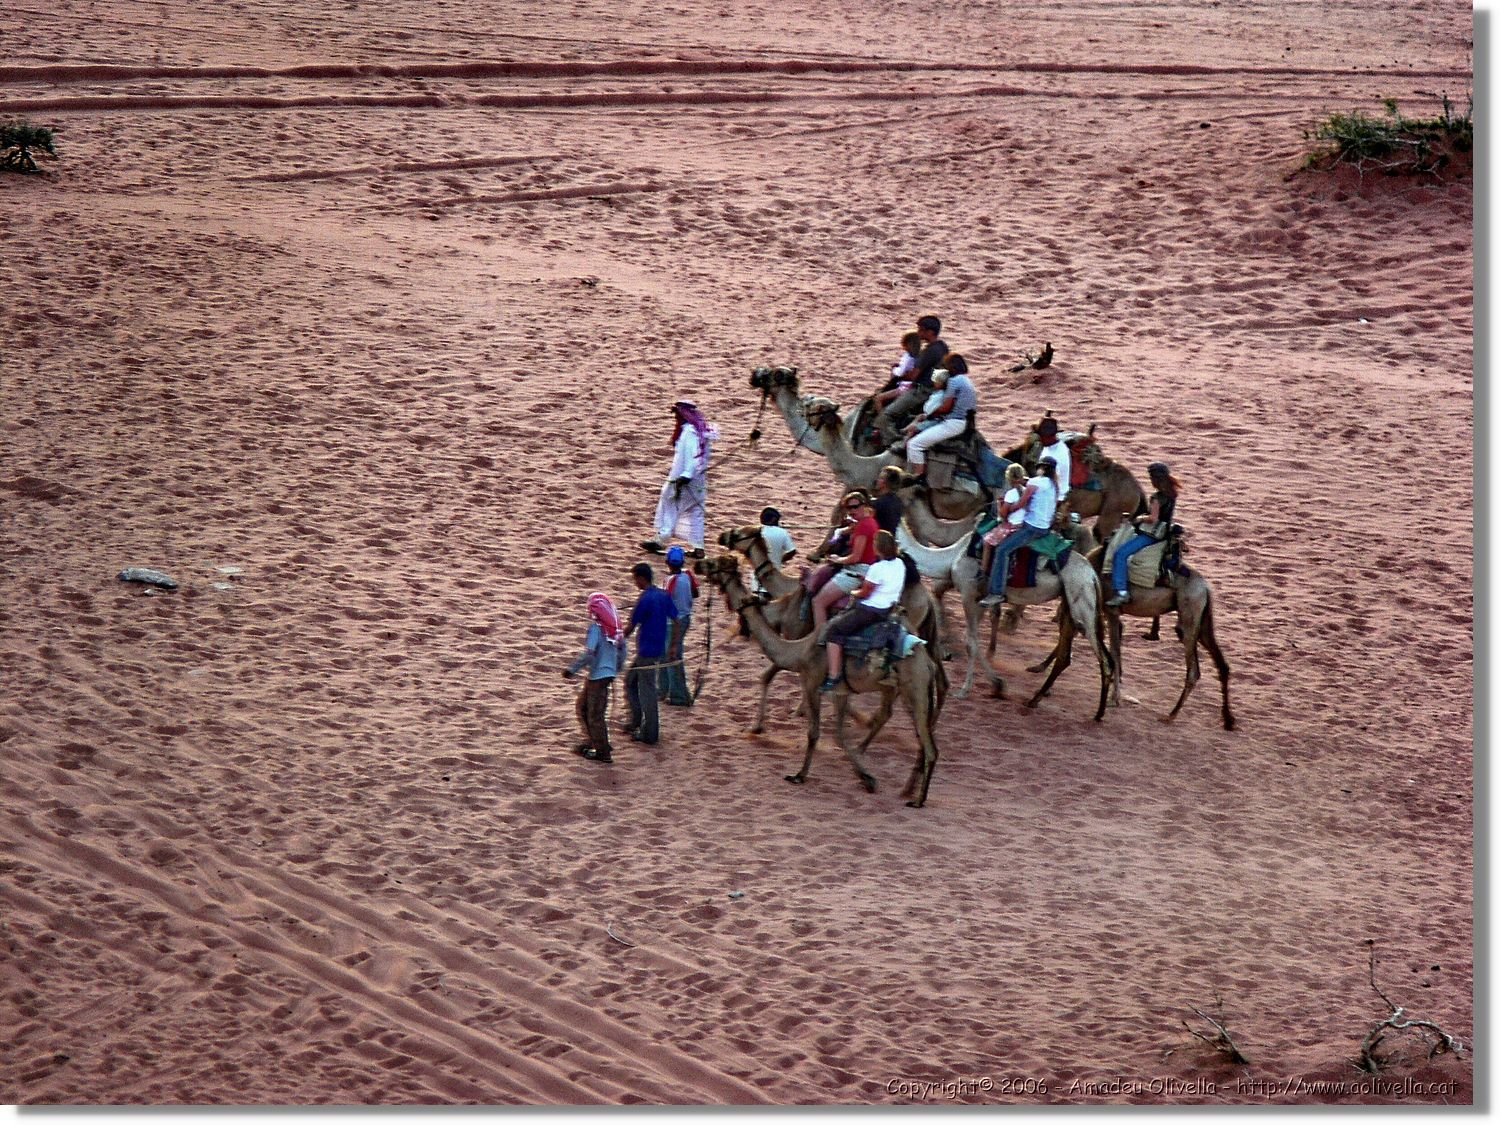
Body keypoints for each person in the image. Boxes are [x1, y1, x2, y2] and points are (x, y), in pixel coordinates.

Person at [820, 530, 905, 692]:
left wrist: (853, 592)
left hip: (871, 610)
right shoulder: (899, 563)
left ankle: (834, 675)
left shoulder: (877, 568)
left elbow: (865, 593)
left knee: (833, 631)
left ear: (878, 548)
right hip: (889, 607)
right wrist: (866, 581)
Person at [979, 457, 1060, 606]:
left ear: (1041, 468)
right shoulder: (1053, 484)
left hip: (1032, 528)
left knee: (1002, 550)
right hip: (1045, 527)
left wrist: (1006, 508)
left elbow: (1021, 504)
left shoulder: (1035, 482)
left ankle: (996, 592)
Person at [643, 400, 718, 557]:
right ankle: (698, 548)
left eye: (677, 415)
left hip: (685, 480)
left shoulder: (690, 432)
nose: (676, 418)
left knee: (670, 504)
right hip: (699, 482)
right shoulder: (700, 431)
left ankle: (661, 539)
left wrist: (685, 476)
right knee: (696, 512)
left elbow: (693, 456)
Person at [1106, 462, 1180, 606]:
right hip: (1165, 533)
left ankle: (1122, 592)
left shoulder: (1157, 498)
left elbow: (1153, 518)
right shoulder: (1172, 494)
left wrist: (1138, 519)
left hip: (1152, 535)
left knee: (1120, 554)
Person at [565, 592, 626, 763]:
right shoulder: (614, 630)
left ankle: (602, 751)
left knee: (594, 714)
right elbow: (623, 652)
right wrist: (615, 668)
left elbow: (589, 654)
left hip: (597, 676)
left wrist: (572, 669)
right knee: (584, 707)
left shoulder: (596, 629)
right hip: (605, 674)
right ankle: (595, 742)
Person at [623, 562, 678, 744]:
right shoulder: (663, 595)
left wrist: (616, 640)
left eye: (635, 579)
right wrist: (673, 646)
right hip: (657, 648)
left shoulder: (645, 599)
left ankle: (649, 733)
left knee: (647, 691)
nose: (635, 582)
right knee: (631, 681)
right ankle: (636, 721)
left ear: (641, 578)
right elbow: (677, 620)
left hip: (646, 650)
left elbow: (631, 626)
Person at [873, 315, 948, 444]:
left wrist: (898, 377)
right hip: (935, 389)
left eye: (921, 330)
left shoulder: (929, 351)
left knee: (886, 415)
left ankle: (893, 441)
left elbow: (913, 376)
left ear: (930, 332)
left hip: (921, 391)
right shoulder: (943, 348)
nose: (918, 333)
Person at [811, 492, 880, 632]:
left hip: (857, 570)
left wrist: (837, 559)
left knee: (818, 602)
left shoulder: (863, 526)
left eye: (855, 507)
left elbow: (856, 557)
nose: (851, 511)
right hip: (866, 569)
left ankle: (820, 638)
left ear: (864, 506)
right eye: (848, 508)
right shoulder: (869, 522)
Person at [901, 355, 977, 478]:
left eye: (946, 366)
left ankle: (917, 478)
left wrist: (930, 416)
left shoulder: (954, 381)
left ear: (952, 367)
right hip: (961, 422)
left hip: (953, 423)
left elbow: (946, 407)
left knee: (914, 445)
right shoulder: (966, 381)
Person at [658, 546, 699, 706]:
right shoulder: (687, 575)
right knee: (666, 655)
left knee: (672, 656)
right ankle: (665, 690)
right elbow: (696, 594)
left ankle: (678, 695)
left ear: (667, 562)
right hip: (685, 617)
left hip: (673, 622)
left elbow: (665, 601)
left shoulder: (670, 580)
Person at [979, 463, 1029, 580]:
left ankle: (983, 571)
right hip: (1024, 525)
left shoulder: (1010, 494)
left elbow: (1003, 513)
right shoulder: (1027, 491)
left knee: (987, 541)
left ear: (1009, 479)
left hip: (1012, 526)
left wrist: (999, 505)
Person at [750, 506, 797, 597]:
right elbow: (792, 551)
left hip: (756, 582)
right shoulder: (782, 532)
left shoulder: (754, 532)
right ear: (774, 519)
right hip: (773, 582)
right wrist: (781, 559)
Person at [872, 330, 924, 412]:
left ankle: (882, 419)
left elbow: (900, 373)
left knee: (878, 398)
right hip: (916, 386)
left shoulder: (909, 358)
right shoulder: (922, 356)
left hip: (905, 388)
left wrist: (894, 369)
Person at [1035, 416, 1071, 509]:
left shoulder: (1059, 454)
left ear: (1051, 436)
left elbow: (1050, 482)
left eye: (1043, 437)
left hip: (1054, 498)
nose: (1040, 439)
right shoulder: (1048, 446)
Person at [872, 465, 904, 534]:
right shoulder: (898, 501)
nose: (877, 480)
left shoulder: (879, 503)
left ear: (885, 483)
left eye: (880, 478)